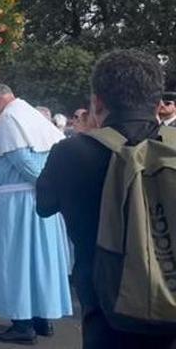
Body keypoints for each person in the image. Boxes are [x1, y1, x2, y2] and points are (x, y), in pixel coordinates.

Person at [38, 50, 176, 348]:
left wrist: (87, 136)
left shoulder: (71, 153)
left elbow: (44, 205)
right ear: (157, 103)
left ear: (98, 102)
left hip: (107, 308)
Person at [0, 83, 73, 344]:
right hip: (34, 199)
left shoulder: (10, 118)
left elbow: (23, 161)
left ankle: (22, 324)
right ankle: (42, 317)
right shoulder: (27, 113)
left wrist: (45, 183)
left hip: (18, 203)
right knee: (38, 258)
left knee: (17, 259)